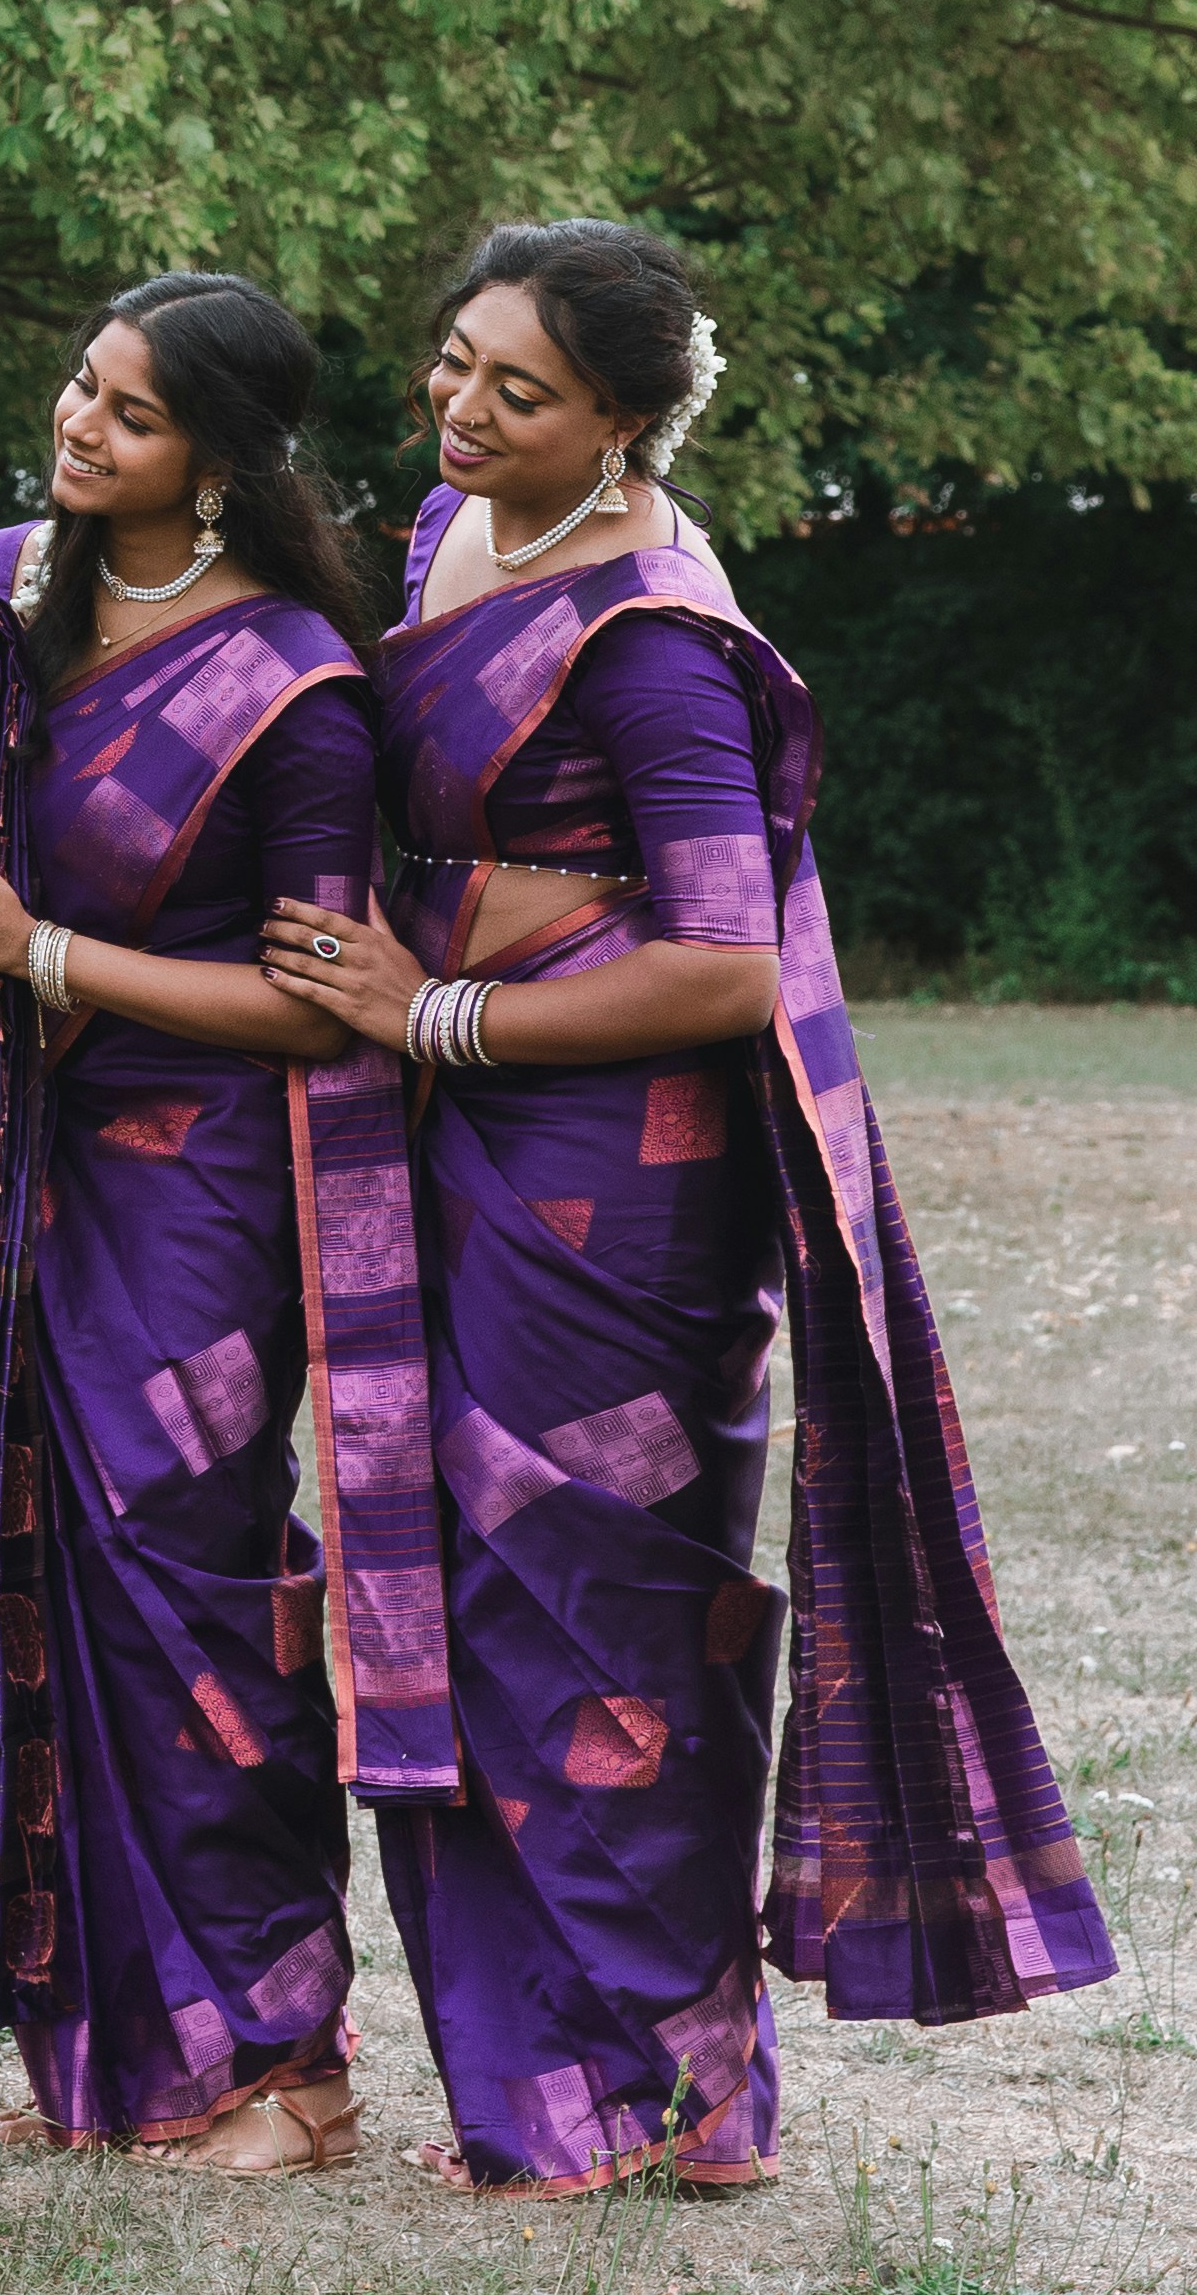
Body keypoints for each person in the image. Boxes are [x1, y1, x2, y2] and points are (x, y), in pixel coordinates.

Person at [277, 222, 1114, 2190]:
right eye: (458, 363)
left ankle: (673, 2089)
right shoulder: (448, 533)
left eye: (523, 391)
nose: (466, 408)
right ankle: (539, 2091)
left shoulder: (650, 635)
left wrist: (439, 1011)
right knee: (467, 1609)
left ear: (628, 420)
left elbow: (728, 963)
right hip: (464, 1157)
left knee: (610, 1613)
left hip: (611, 1189)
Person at [0, 273, 389, 2173]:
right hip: (25, 1157)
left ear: (227, 462)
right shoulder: (12, 586)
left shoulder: (300, 690)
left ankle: (287, 2063)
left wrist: (52, 954)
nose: (85, 427)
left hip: (197, 1180)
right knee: (36, 1577)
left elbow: (318, 992)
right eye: (85, 387)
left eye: (135, 413)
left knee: (189, 1587)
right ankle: (119, 2055)